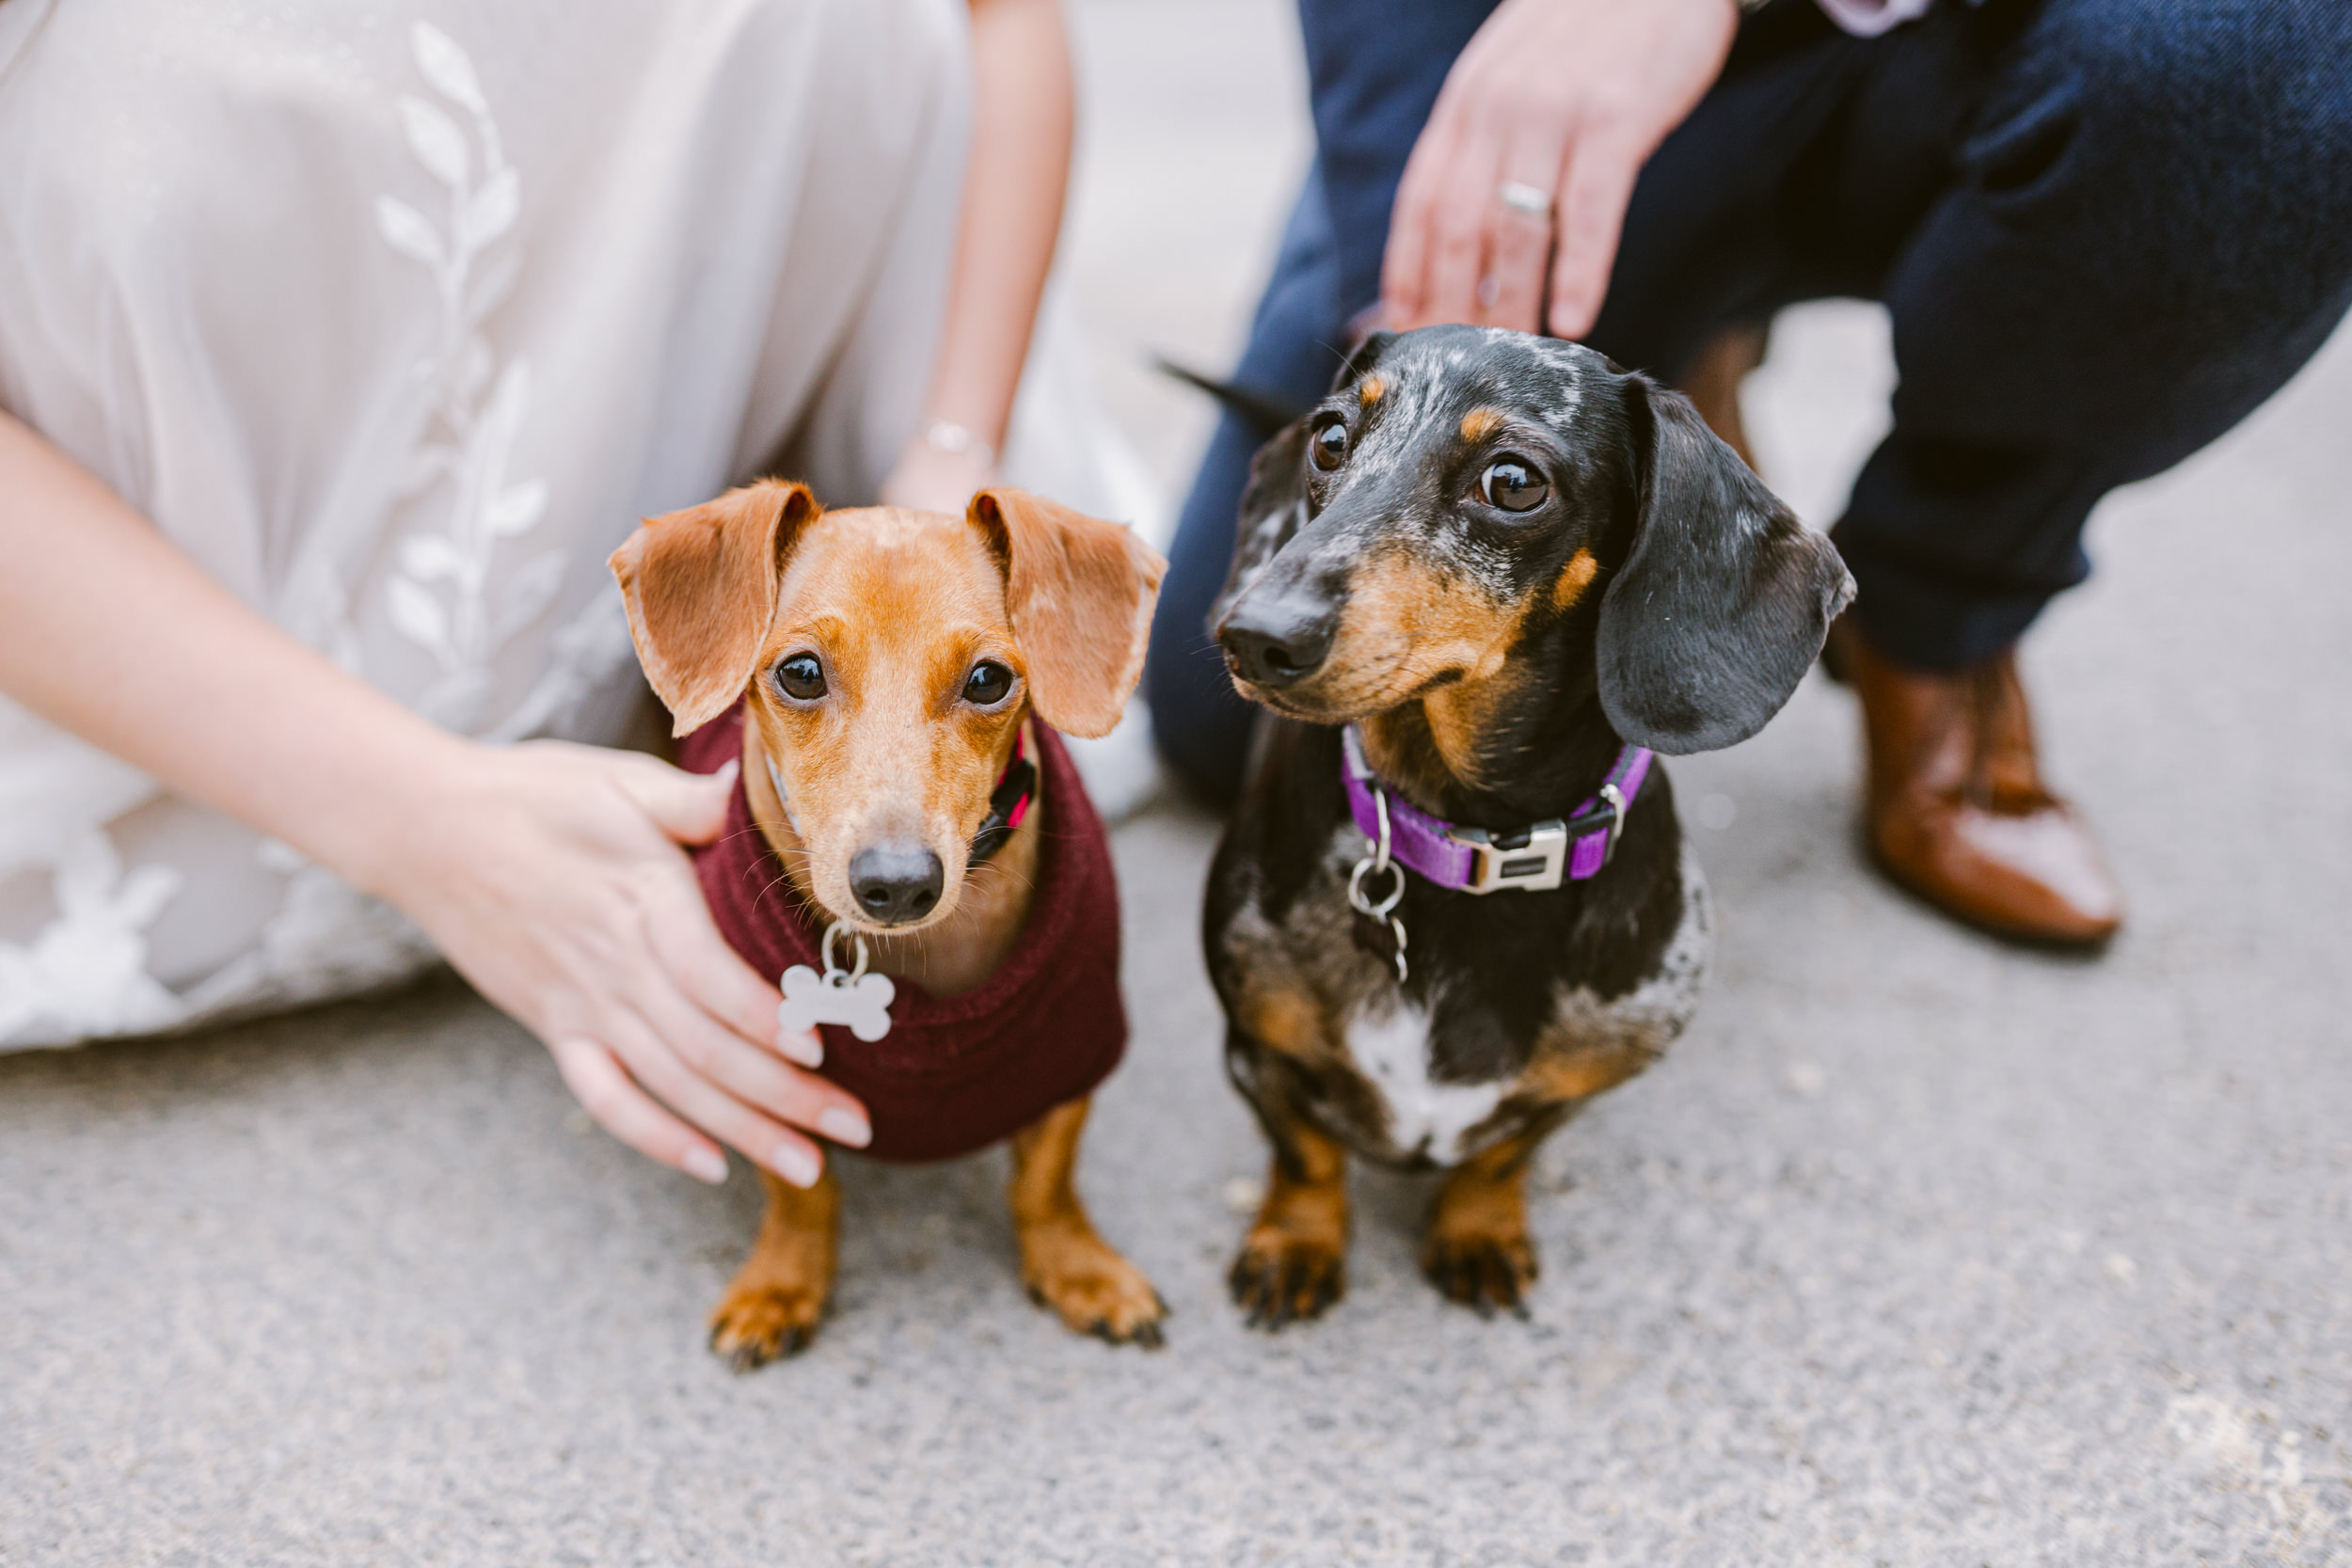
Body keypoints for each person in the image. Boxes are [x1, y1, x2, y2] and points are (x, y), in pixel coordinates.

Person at [0, 0, 1140, 1193]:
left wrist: (953, 441)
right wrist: (420, 817)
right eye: (799, 676)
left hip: (809, 350)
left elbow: (1003, 13)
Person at [1148, 0, 2352, 946]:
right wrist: (1418, 296)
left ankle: (1941, 595)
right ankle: (1682, 383)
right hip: (1520, 69)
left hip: (1994, 45)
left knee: (2272, 67)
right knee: (1230, 719)